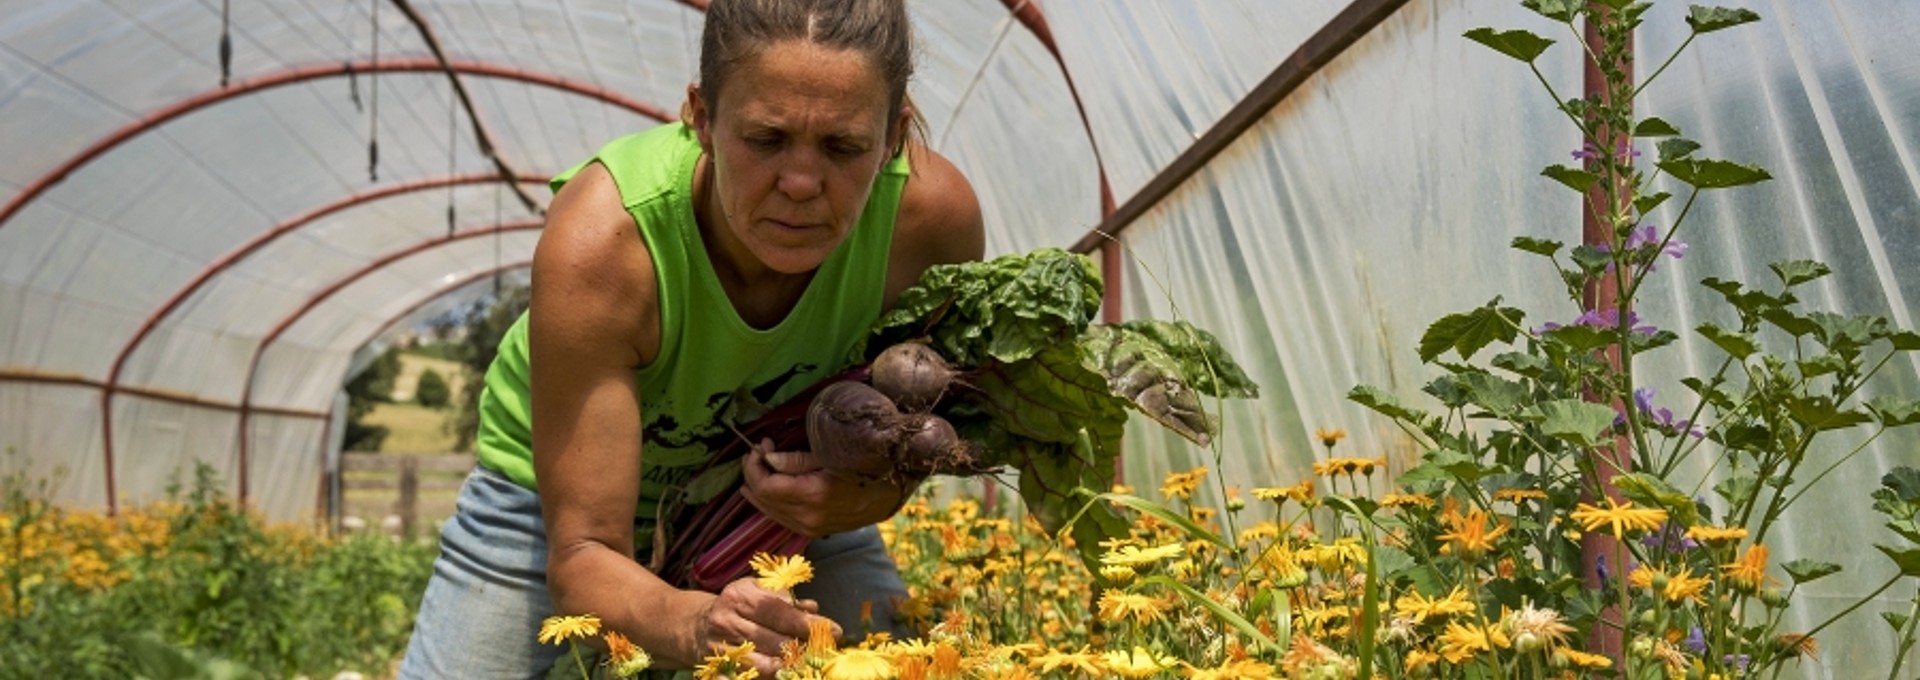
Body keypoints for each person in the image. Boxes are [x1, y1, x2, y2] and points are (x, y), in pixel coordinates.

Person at [397, 0, 984, 676]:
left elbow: (929, 420)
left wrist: (879, 493)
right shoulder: (606, 245)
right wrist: (693, 620)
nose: (800, 183)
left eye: (843, 147)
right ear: (700, 118)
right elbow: (585, 552)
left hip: (777, 509)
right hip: (551, 506)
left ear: (892, 137)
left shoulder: (930, 228)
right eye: (765, 139)